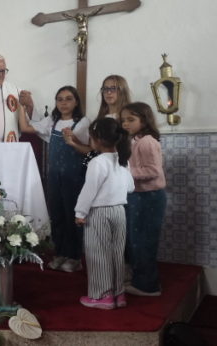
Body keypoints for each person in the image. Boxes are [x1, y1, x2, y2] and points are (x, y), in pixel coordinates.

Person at [18, 86, 90, 272]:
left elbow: (90, 149)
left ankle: (74, 257)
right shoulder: (52, 120)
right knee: (56, 216)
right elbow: (25, 127)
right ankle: (60, 253)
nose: (64, 103)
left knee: (71, 216)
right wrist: (20, 106)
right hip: (54, 177)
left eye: (68, 99)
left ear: (76, 102)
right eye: (60, 99)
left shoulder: (83, 122)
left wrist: (73, 140)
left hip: (73, 177)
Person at [74, 118, 134, 310]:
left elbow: (89, 190)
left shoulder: (97, 162)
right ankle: (119, 294)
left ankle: (102, 296)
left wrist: (80, 212)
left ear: (96, 139)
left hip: (99, 213)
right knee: (117, 253)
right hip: (119, 211)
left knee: (98, 254)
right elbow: (131, 187)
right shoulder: (123, 160)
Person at [120, 102, 166, 297]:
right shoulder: (134, 140)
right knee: (134, 239)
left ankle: (148, 285)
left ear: (144, 120)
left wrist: (125, 172)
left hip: (149, 196)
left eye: (131, 119)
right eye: (123, 120)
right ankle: (139, 278)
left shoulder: (147, 141)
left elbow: (153, 171)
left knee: (144, 240)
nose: (125, 124)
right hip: (137, 195)